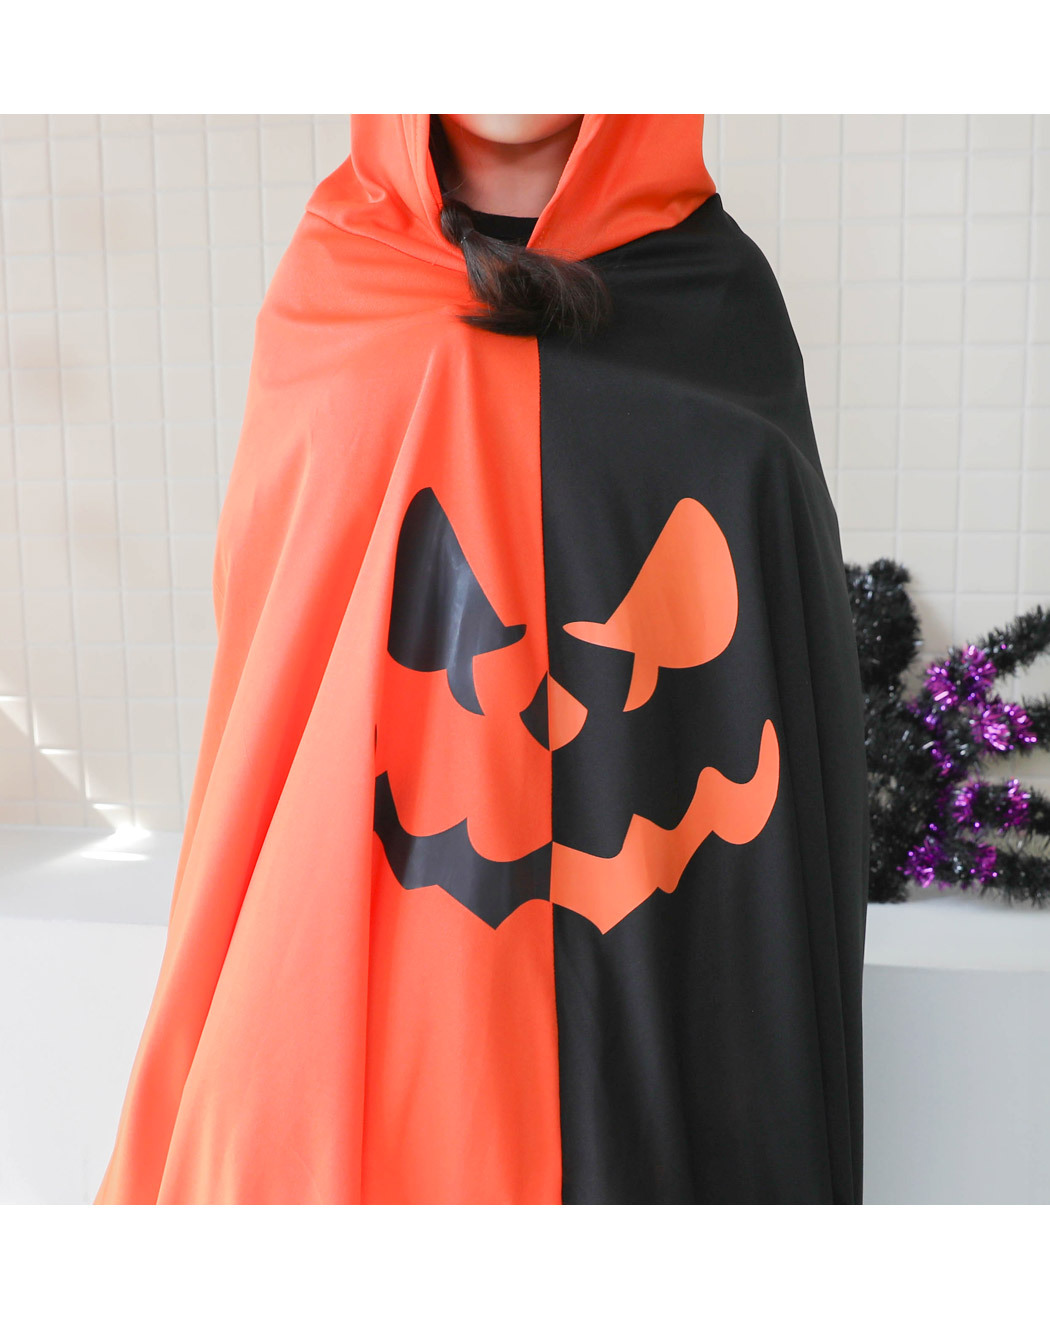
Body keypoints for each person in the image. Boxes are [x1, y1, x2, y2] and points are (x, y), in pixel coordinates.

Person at [94, 114, 869, 1205]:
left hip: (662, 952)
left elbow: (773, 670)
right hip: (376, 944)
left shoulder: (717, 297)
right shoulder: (338, 281)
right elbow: (279, 667)